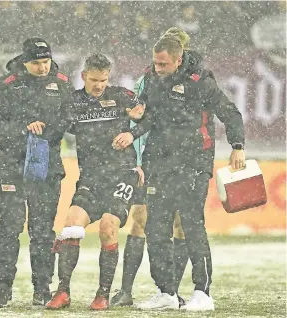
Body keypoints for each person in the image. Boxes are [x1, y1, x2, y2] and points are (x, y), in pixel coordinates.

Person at [113, 33, 245, 311]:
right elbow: (150, 116)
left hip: (193, 162)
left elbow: (230, 112)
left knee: (191, 225)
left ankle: (203, 292)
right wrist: (133, 129)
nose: (157, 69)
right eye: (155, 63)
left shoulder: (201, 81)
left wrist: (237, 145)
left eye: (163, 65)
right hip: (159, 162)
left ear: (178, 60)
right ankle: (167, 292)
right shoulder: (151, 78)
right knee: (156, 227)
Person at [111, 27, 206, 308]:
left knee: (180, 225)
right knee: (140, 220)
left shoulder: (194, 82)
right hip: (150, 160)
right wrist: (136, 161)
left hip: (179, 163)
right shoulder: (147, 80)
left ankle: (171, 291)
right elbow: (137, 119)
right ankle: (126, 290)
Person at [45, 53, 144, 311]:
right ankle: (63, 291)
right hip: (90, 177)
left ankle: (102, 295)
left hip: (122, 174)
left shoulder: (122, 95)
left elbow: (150, 118)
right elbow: (55, 130)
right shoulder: (73, 103)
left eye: (103, 80)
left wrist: (131, 134)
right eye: (94, 80)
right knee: (71, 227)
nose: (99, 85)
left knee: (108, 228)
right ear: (83, 76)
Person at [0, 37, 74, 308]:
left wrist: (47, 128)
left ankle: (42, 289)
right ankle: (3, 289)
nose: (43, 67)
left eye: (46, 61)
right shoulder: (7, 84)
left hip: (47, 166)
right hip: (12, 165)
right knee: (9, 228)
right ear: (25, 61)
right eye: (36, 62)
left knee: (43, 231)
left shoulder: (62, 83)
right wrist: (24, 127)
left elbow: (69, 121)